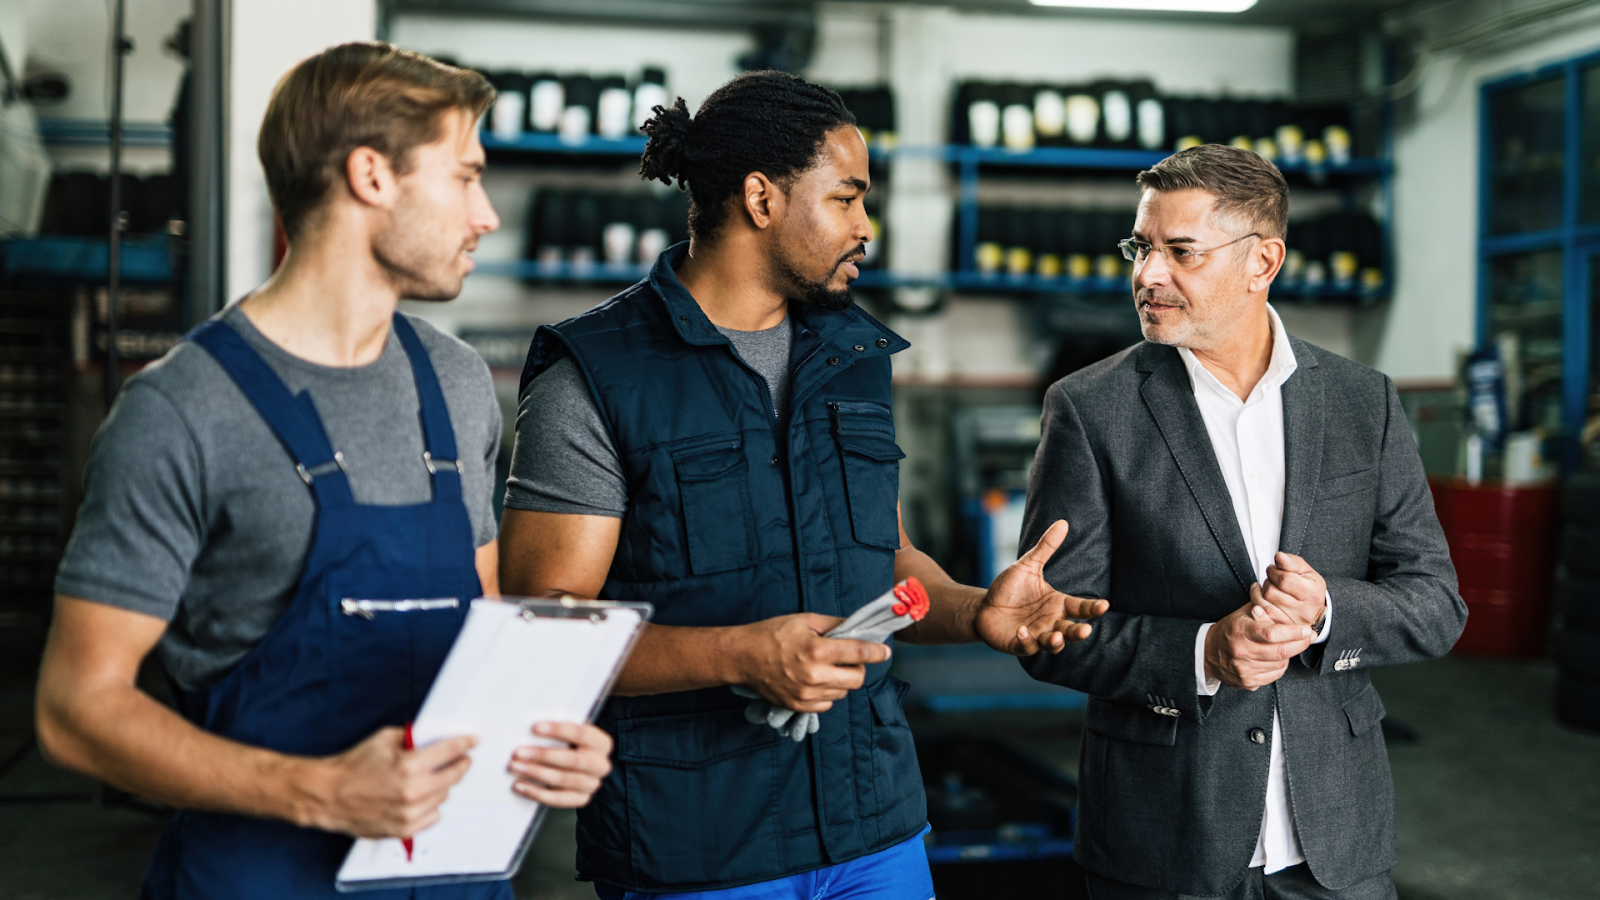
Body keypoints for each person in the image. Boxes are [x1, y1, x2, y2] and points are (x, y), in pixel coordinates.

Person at [497, 70, 1108, 900]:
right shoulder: (597, 375)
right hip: (699, 847)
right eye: (848, 198)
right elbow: (545, 634)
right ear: (761, 198)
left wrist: (973, 609)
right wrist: (738, 654)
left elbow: (885, 569)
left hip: (874, 827)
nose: (867, 226)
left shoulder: (852, 361)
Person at [35, 44, 613, 899]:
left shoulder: (456, 385)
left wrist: (543, 736)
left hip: (454, 875)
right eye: (464, 177)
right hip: (261, 876)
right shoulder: (183, 410)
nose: (486, 214)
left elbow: (484, 642)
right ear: (371, 175)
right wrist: (324, 792)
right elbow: (75, 711)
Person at [1019, 144, 1467, 900]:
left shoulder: (1365, 402)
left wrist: (1325, 612)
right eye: (1141, 247)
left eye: (1180, 252)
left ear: (1262, 262)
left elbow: (1437, 604)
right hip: (1165, 843)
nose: (1146, 275)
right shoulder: (1092, 409)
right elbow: (1050, 628)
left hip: (1336, 847)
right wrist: (1202, 653)